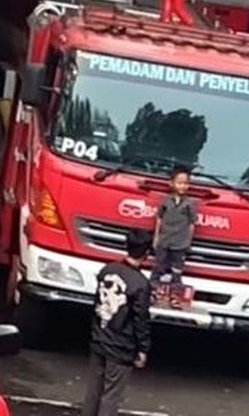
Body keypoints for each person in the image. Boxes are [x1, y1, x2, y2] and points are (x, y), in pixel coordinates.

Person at [82, 228, 151, 416]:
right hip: (120, 347)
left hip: (99, 338)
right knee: (111, 395)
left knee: (93, 392)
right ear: (146, 253)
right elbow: (140, 319)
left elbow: (96, 303)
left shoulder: (107, 270)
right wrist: (143, 348)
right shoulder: (140, 284)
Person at [150, 166, 197, 308]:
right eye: (179, 183)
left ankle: (175, 296)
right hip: (164, 241)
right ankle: (153, 292)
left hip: (180, 244)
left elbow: (192, 224)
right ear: (171, 183)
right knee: (158, 267)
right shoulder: (165, 202)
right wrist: (156, 237)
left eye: (185, 183)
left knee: (177, 271)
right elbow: (159, 219)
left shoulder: (190, 204)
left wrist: (188, 241)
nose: (182, 186)